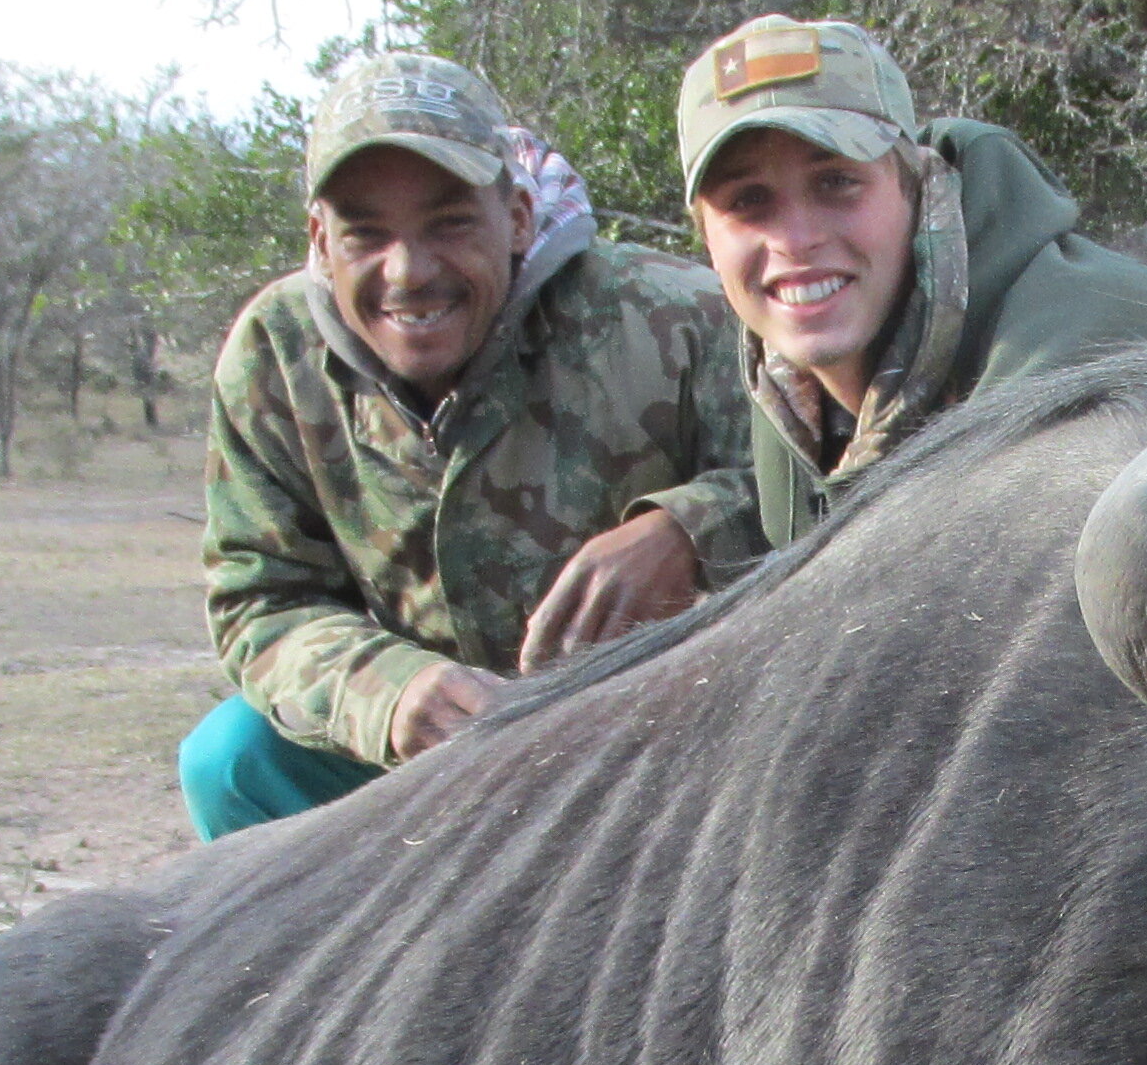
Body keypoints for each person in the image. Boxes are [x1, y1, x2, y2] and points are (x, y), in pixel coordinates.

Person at [179, 51, 746, 837]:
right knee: (231, 762)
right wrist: (391, 691)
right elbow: (261, 599)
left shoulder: (672, 316)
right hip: (411, 763)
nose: (408, 272)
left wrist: (689, 530)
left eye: (450, 223)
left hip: (647, 741)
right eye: (365, 234)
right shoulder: (273, 354)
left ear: (515, 216)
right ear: (319, 235)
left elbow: (816, 491)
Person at [673, 16, 1147, 551]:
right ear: (706, 237)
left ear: (916, 186)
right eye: (747, 202)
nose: (795, 240)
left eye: (836, 182)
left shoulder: (1072, 371)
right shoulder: (789, 388)